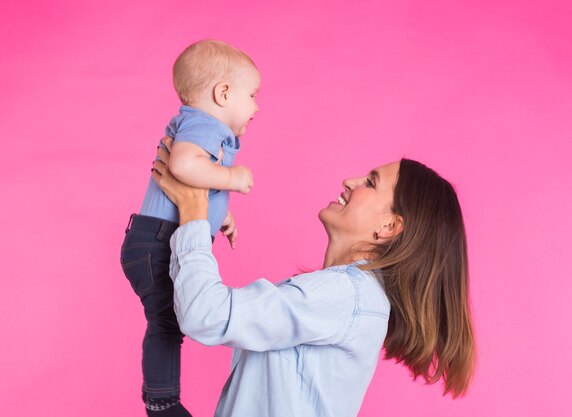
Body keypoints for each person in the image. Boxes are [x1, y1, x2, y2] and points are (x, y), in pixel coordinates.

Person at [151, 138, 476, 417]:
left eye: (371, 183)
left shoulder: (345, 294)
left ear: (388, 227)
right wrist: (200, 217)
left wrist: (193, 211)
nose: (350, 181)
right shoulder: (349, 297)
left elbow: (205, 315)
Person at [121, 40, 260, 417]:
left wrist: (220, 214)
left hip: (155, 238)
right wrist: (230, 178)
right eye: (252, 95)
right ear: (223, 92)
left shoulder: (201, 126)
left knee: (171, 319)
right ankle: (162, 402)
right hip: (157, 242)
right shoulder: (203, 123)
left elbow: (195, 177)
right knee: (167, 321)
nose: (256, 106)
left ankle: (161, 397)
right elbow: (183, 166)